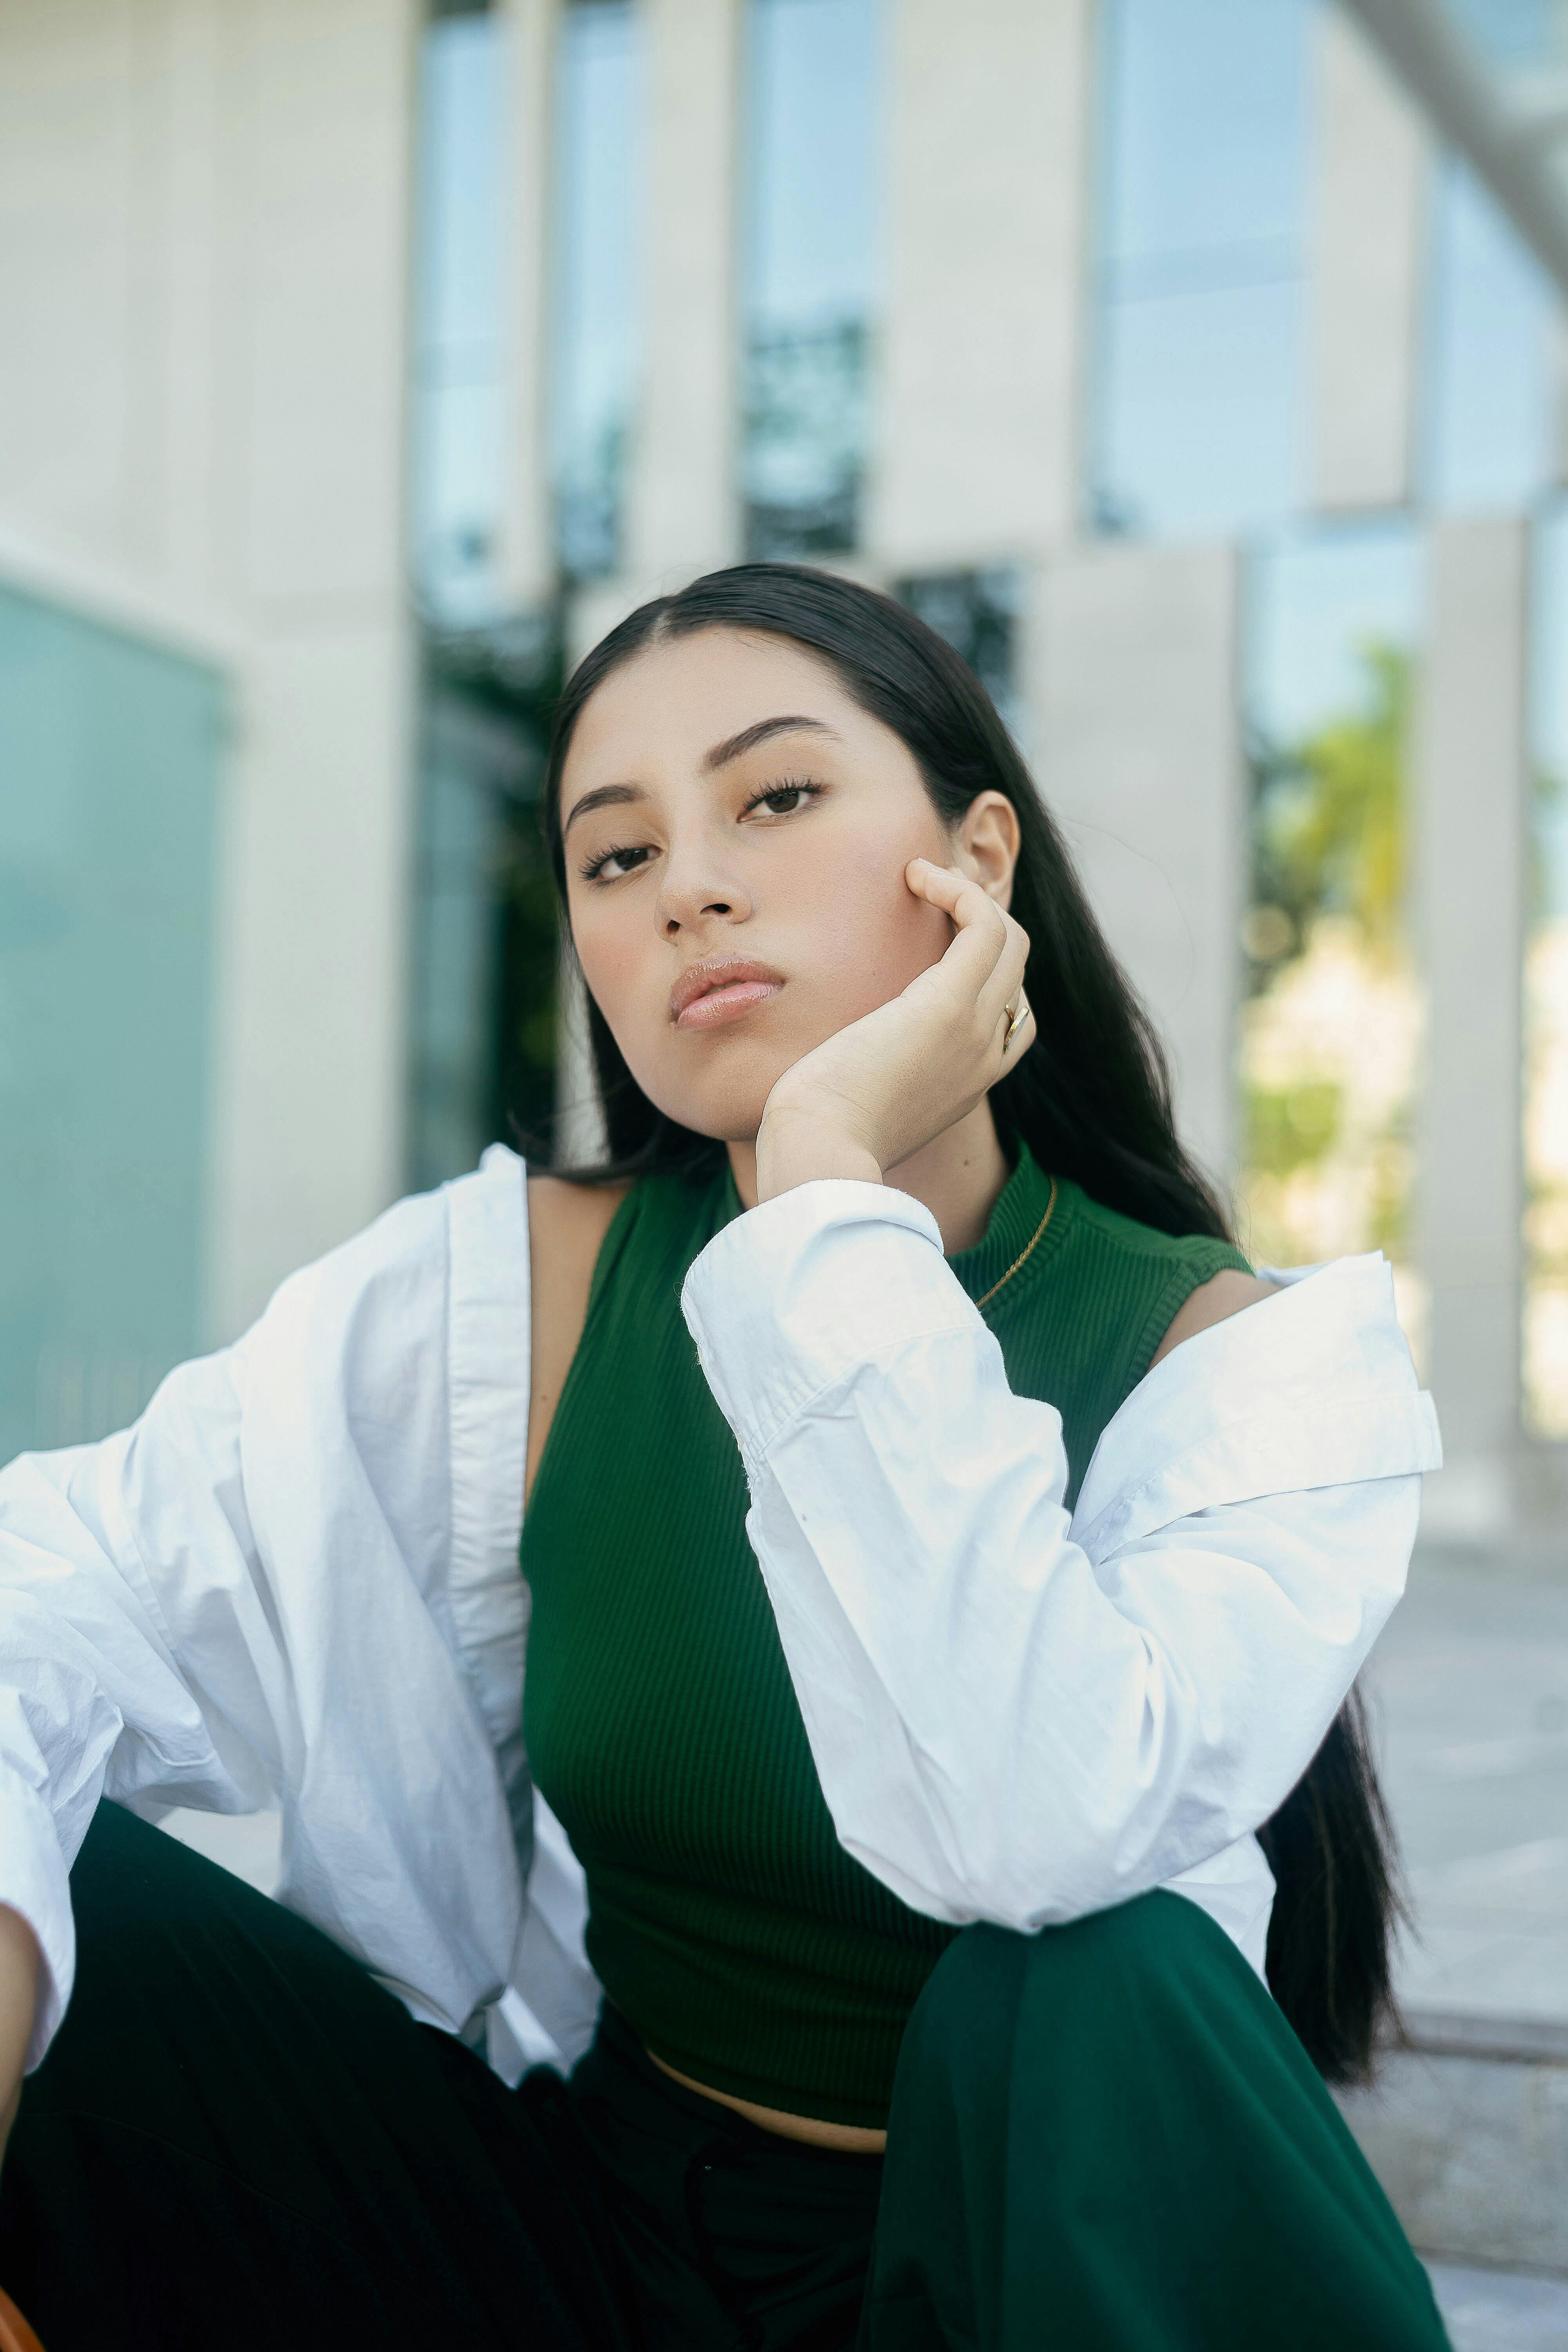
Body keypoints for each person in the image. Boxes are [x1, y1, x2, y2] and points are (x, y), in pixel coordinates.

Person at [0, 565, 1450, 2351]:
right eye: (617, 858)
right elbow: (51, 1581)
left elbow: (1030, 1834)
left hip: (1009, 2282)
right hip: (594, 2248)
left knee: (1099, 1968)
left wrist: (830, 1196)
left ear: (975, 865)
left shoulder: (1242, 1366)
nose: (688, 884)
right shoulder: (504, 1295)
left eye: (774, 799)